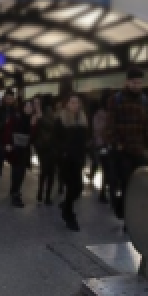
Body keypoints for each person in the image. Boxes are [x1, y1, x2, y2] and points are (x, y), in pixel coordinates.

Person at [105, 69, 148, 222]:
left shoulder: (144, 100)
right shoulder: (116, 99)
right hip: (122, 151)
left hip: (139, 150)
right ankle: (126, 215)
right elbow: (110, 125)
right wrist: (117, 144)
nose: (137, 85)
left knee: (137, 184)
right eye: (134, 82)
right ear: (127, 82)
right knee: (126, 183)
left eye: (140, 82)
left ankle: (131, 214)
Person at [58, 94, 90, 231]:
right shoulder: (61, 119)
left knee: (78, 188)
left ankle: (66, 206)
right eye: (72, 102)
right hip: (66, 159)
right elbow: (55, 138)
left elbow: (87, 138)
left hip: (78, 158)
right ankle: (69, 215)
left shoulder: (83, 119)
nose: (75, 105)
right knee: (71, 187)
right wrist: (62, 153)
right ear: (67, 104)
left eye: (77, 102)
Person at [2, 99, 37, 207]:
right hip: (15, 148)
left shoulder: (32, 119)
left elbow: (33, 137)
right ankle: (15, 194)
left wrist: (33, 125)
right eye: (26, 106)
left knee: (21, 172)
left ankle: (14, 190)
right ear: (23, 107)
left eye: (30, 107)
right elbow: (8, 130)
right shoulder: (16, 117)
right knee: (17, 172)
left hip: (25, 150)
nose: (28, 108)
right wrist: (7, 143)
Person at [33, 96, 60, 204]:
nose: (36, 104)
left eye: (37, 102)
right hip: (41, 146)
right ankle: (40, 192)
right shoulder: (32, 112)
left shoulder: (47, 111)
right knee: (44, 170)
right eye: (34, 103)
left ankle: (47, 195)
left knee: (50, 171)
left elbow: (52, 126)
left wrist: (40, 118)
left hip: (50, 146)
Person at [0, 91, 17, 190]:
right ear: (4, 98)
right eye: (8, 98)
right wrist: (4, 123)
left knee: (14, 166)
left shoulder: (15, 110)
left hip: (12, 141)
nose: (9, 100)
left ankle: (13, 187)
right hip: (1, 141)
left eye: (11, 98)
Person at [91, 96, 112, 204]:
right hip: (102, 145)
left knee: (107, 169)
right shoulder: (99, 115)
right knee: (105, 167)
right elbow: (97, 129)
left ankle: (104, 191)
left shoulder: (110, 114)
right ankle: (103, 192)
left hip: (106, 145)